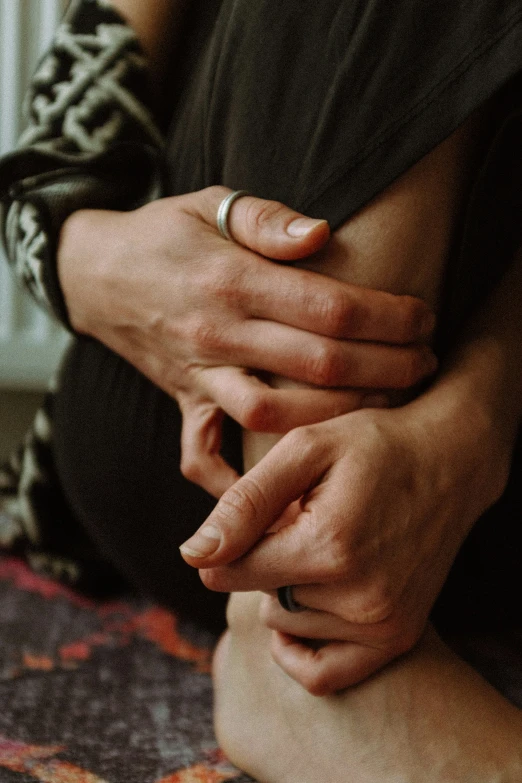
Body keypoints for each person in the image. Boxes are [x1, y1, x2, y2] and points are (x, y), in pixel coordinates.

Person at [1, 0, 522, 779]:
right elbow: (55, 156)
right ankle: (303, 634)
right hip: (202, 450)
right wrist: (101, 266)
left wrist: (476, 423)